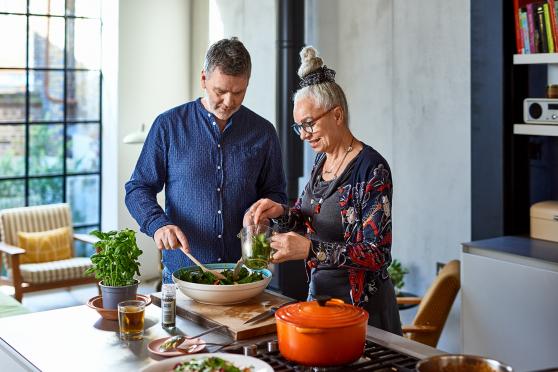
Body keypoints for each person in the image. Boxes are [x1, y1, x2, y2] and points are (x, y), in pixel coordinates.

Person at [244, 46, 401, 334]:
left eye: (308, 123)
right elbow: (310, 218)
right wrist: (280, 213)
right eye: (298, 127)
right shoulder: (321, 161)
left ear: (337, 115)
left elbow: (377, 253)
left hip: (362, 312)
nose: (303, 135)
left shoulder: (372, 169)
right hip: (321, 301)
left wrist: (310, 249)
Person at [125, 37, 287, 284]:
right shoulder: (168, 126)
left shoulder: (263, 132)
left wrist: (270, 210)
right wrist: (158, 224)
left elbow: (276, 194)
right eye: (220, 91)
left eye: (238, 92)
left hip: (244, 274)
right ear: (203, 79)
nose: (229, 102)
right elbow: (138, 188)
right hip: (183, 275)